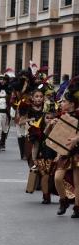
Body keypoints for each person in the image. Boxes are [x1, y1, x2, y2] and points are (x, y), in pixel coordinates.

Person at [50, 80, 79, 217]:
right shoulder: (61, 116)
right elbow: (57, 137)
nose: (61, 103)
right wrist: (51, 124)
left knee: (77, 182)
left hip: (77, 151)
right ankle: (64, 200)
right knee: (57, 178)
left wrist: (76, 139)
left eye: (64, 101)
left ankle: (77, 208)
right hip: (64, 152)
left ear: (72, 104)